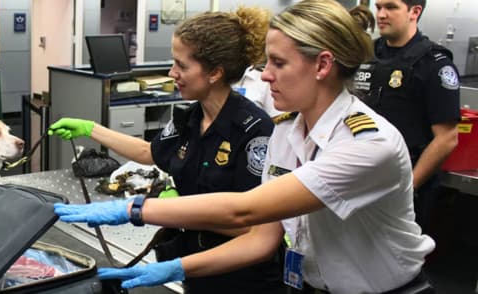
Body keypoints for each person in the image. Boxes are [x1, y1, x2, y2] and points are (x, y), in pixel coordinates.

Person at [53, 0, 436, 293]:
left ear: (322, 65)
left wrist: (135, 209)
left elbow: (244, 210)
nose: (264, 74)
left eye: (278, 63)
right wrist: (179, 268)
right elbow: (263, 237)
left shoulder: (368, 144)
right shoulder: (287, 132)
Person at [49, 7, 285, 294]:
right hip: (197, 270)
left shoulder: (253, 131)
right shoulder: (191, 118)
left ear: (215, 72)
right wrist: (90, 129)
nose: (173, 73)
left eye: (182, 66)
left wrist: (156, 211)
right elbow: (151, 152)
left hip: (241, 280)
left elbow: (252, 227)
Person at [354, 0, 460, 233]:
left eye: (390, 7)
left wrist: (408, 187)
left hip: (405, 184)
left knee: (397, 261)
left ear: (415, 12)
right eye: (378, 7)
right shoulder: (367, 55)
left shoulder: (433, 63)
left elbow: (447, 138)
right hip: (362, 176)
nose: (380, 14)